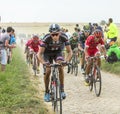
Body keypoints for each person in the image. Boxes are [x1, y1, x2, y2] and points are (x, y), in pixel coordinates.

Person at [38, 24, 72, 102]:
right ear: (50, 34)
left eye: (56, 34)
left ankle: (62, 89)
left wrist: (66, 61)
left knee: (60, 66)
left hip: (58, 52)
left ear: (60, 33)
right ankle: (47, 92)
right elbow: (39, 54)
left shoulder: (64, 37)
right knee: (48, 70)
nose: (55, 36)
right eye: (53, 35)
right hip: (47, 53)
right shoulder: (46, 38)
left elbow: (70, 51)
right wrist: (43, 63)